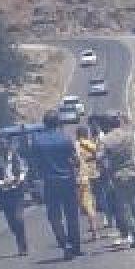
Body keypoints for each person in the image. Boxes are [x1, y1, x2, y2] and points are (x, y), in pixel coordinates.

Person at [98, 113, 135, 248]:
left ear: (107, 125)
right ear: (118, 123)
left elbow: (100, 158)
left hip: (119, 175)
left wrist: (107, 168)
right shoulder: (129, 135)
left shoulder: (106, 140)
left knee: (125, 206)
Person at [33, 110, 84, 260]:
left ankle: (64, 244)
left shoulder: (38, 141)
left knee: (54, 216)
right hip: (68, 180)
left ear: (44, 124)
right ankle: (75, 246)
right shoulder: (66, 139)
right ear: (58, 123)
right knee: (72, 215)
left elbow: (35, 165)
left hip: (49, 182)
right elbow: (75, 160)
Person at [0, 136, 29, 256]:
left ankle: (23, 246)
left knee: (18, 219)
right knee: (11, 222)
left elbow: (24, 169)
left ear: (8, 144)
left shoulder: (15, 155)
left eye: (5, 144)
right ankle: (19, 237)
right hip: (3, 193)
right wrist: (1, 183)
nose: (3, 146)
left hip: (17, 191)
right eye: (0, 144)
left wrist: (18, 179)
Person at [74, 125, 102, 242]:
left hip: (81, 177)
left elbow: (74, 160)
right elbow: (98, 155)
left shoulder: (76, 145)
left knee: (86, 204)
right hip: (94, 175)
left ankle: (94, 230)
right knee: (92, 202)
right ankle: (95, 227)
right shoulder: (90, 145)